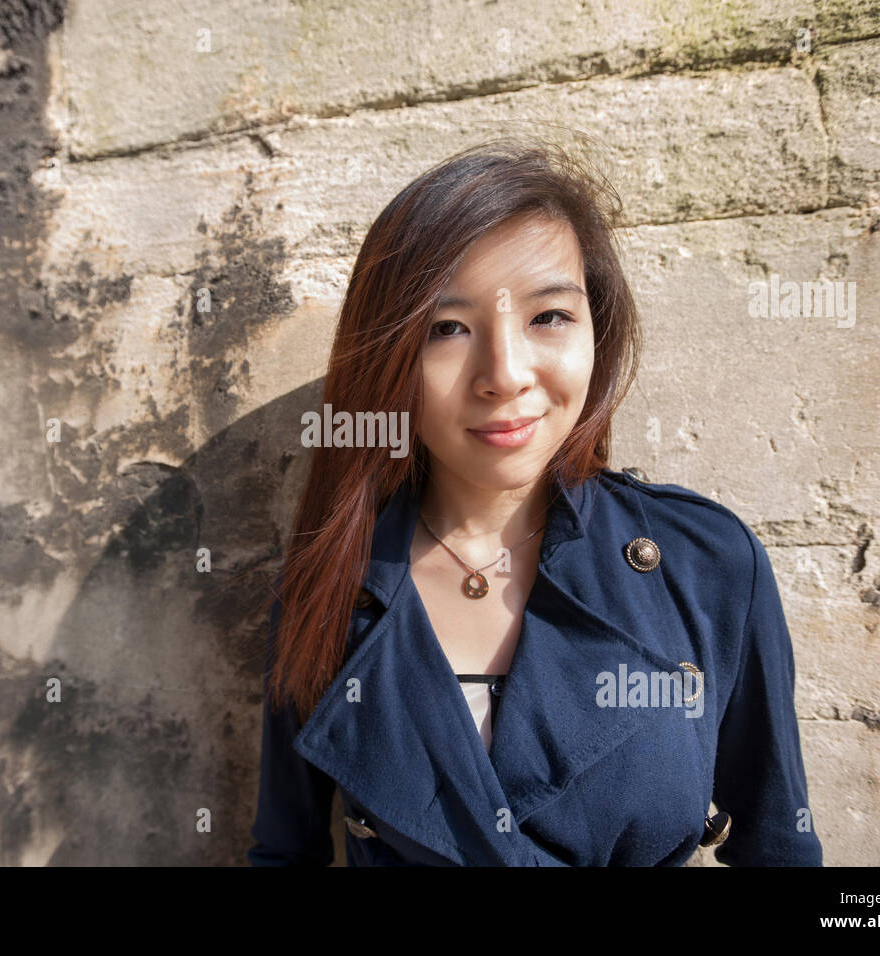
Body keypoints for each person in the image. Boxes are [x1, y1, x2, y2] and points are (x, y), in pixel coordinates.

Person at [246, 136, 823, 866]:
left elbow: (780, 844)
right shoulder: (329, 589)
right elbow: (284, 852)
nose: (506, 374)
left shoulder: (706, 564)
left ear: (597, 332)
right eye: (446, 329)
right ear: (387, 357)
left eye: (549, 316)